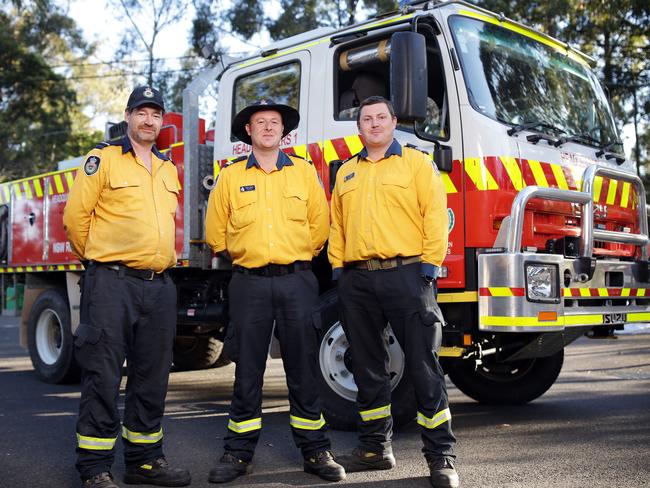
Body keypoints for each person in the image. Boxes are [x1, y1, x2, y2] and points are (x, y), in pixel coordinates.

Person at [205, 99, 345, 484]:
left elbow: (320, 227)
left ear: (285, 132)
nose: (268, 127)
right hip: (248, 282)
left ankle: (316, 451)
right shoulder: (230, 177)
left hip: (296, 280)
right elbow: (216, 232)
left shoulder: (303, 173)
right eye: (260, 122)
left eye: (275, 123)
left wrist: (292, 257)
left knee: (302, 368)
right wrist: (250, 253)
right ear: (248, 131)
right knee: (247, 370)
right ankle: (238, 454)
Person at [328, 95, 459, 488]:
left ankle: (441, 458)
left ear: (393, 121)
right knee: (367, 368)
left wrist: (428, 269)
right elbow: (338, 224)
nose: (373, 124)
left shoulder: (417, 163)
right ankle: (374, 450)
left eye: (380, 117)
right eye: (366, 119)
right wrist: (339, 268)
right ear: (359, 127)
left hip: (406, 276)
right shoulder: (346, 171)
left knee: (423, 366)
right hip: (357, 279)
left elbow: (435, 216)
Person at [63, 86, 190, 488]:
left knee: (152, 376)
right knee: (102, 375)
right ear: (128, 116)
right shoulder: (102, 159)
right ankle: (95, 468)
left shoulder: (169, 168)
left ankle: (144, 461)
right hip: (112, 283)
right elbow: (75, 220)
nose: (148, 120)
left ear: (161, 121)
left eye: (155, 114)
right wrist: (102, 260)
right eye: (142, 113)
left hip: (159, 286)